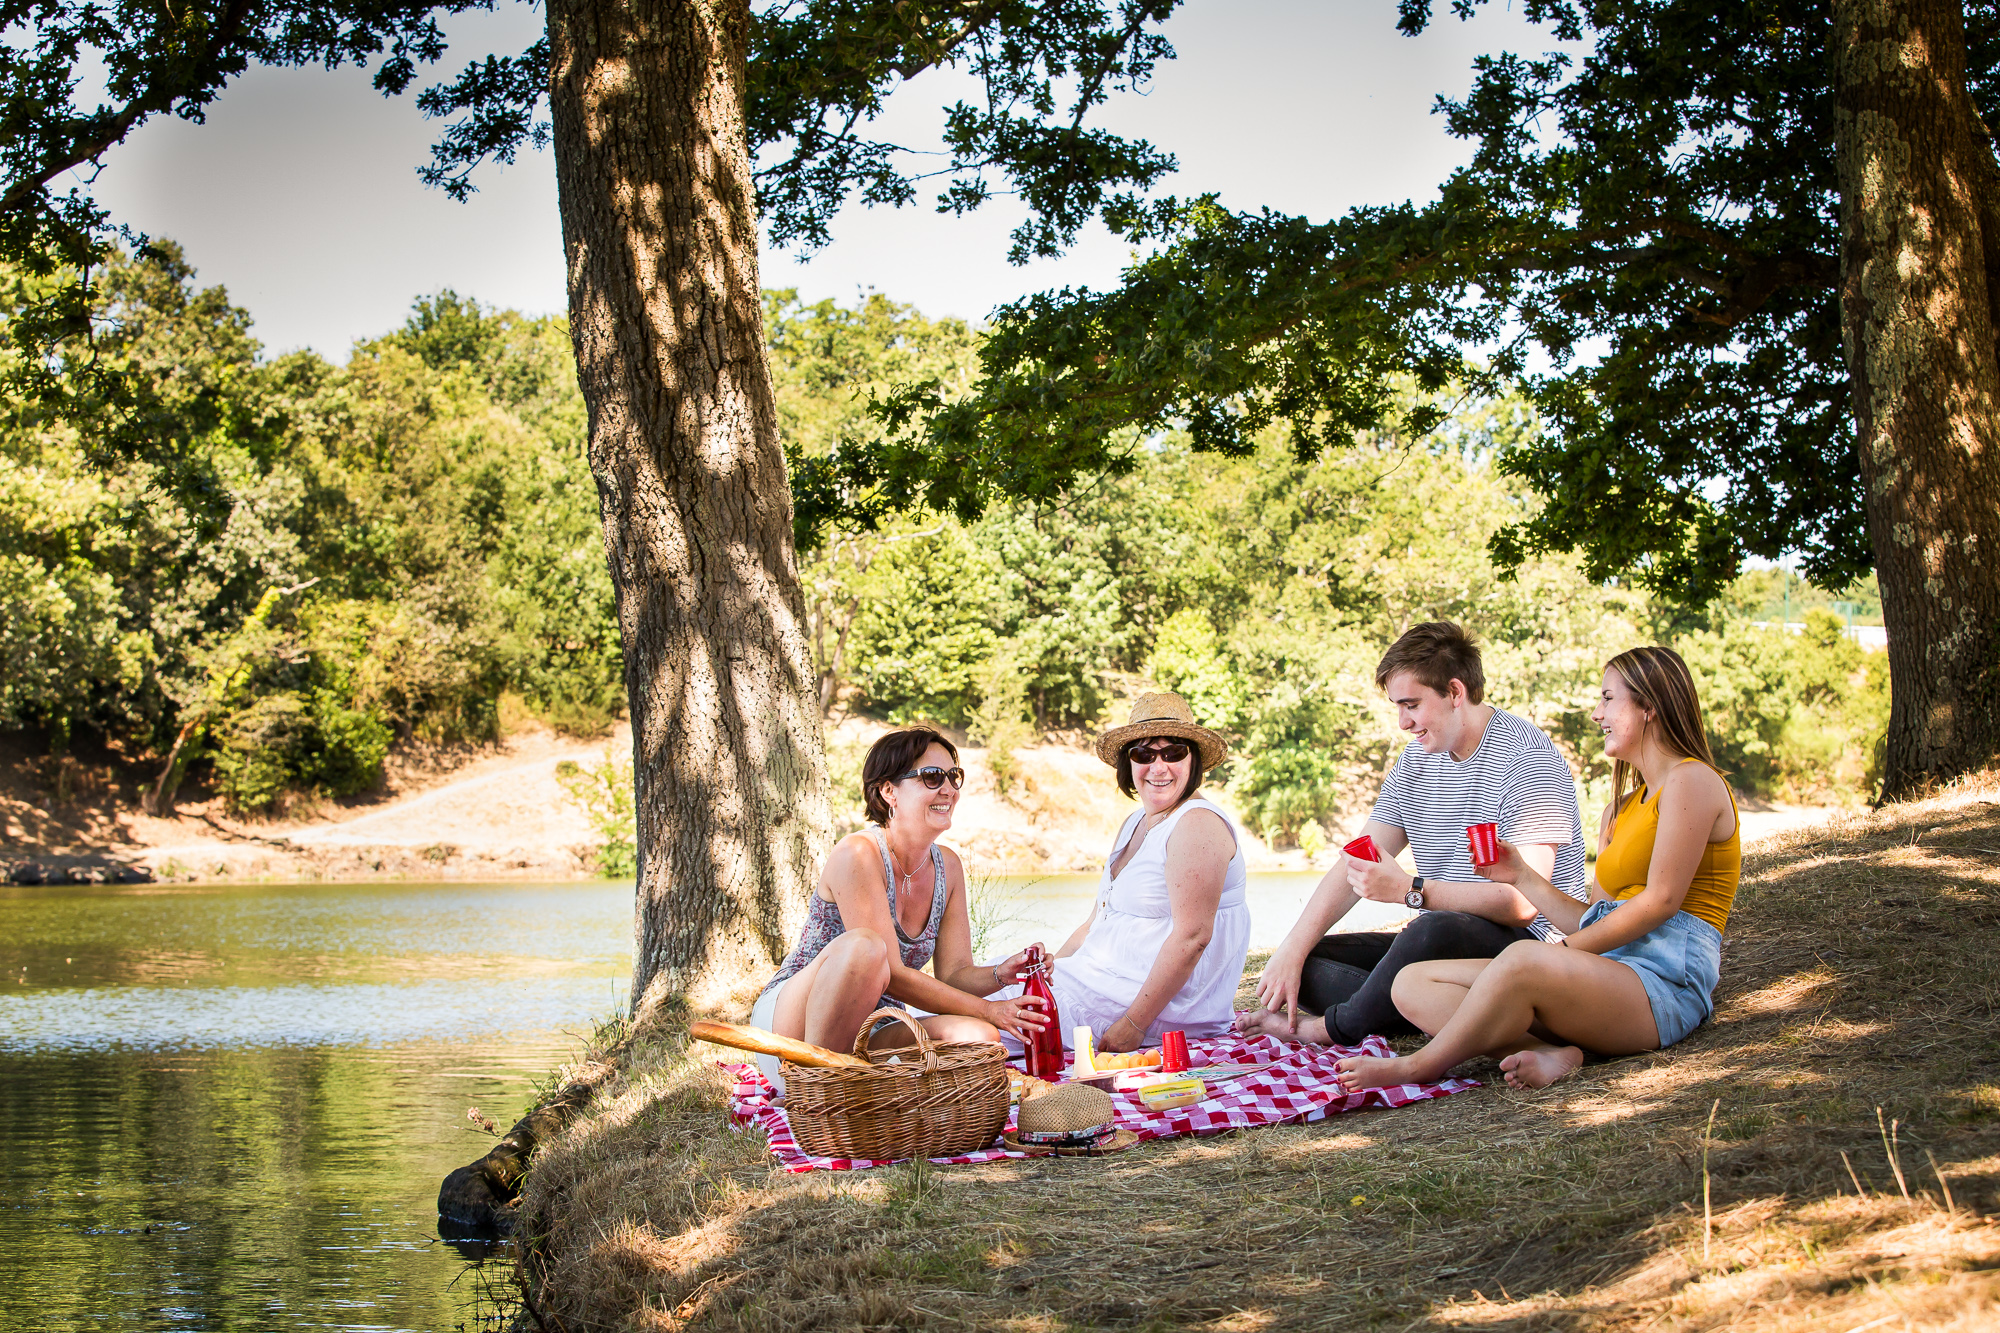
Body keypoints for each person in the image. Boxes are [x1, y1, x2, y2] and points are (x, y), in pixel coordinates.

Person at [1333, 645, 1740, 1092]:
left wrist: (1561, 952)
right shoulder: (1617, 811)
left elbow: (1661, 902)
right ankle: (1551, 1054)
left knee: (1522, 957)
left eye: (1607, 699)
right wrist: (1522, 876)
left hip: (1664, 984)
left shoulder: (1692, 780)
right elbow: (1596, 917)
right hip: (1607, 974)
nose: (1595, 714)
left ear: (1649, 706)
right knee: (1411, 982)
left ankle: (1417, 1067)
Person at [1238, 621, 1588, 1047]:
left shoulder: (1526, 758)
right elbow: (1358, 859)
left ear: (1455, 693)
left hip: (1527, 949)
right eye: (1397, 707)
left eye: (1411, 705)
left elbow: (1522, 905)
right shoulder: (1415, 762)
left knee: (1428, 930)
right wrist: (1291, 948)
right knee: (1310, 960)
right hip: (1440, 951)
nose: (1403, 722)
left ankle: (1331, 1028)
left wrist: (1410, 890)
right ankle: (1422, 1007)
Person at [748, 726, 1051, 1091]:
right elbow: (890, 971)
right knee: (865, 948)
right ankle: (814, 1089)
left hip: (874, 1025)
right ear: (888, 791)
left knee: (980, 1036)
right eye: (931, 777)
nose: (949, 789)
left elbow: (954, 974)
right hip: (795, 1024)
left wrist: (1002, 974)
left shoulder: (948, 867)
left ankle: (857, 1083)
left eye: (954, 777)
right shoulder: (857, 853)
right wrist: (992, 1009)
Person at [1037, 692, 1251, 1053]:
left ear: (1193, 760)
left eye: (1173, 753)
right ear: (1129, 763)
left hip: (1152, 1009)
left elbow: (1192, 937)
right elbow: (1095, 922)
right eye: (1144, 754)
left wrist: (1133, 1025)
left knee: (983, 1018)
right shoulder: (1136, 821)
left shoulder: (1197, 824)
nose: (1159, 766)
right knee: (992, 988)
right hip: (1101, 983)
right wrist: (1052, 972)